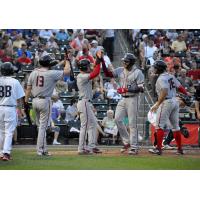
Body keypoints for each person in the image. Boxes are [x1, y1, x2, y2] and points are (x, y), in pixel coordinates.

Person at [25, 54, 70, 156]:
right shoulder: (51, 73)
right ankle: (40, 150)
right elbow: (67, 72)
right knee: (43, 127)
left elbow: (28, 89)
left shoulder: (34, 72)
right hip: (45, 101)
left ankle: (44, 149)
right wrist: (67, 61)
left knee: (40, 126)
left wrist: (26, 101)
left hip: (34, 101)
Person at [102, 53, 144, 155]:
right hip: (123, 98)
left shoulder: (138, 72)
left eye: (126, 61)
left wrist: (125, 89)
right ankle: (127, 141)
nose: (124, 62)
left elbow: (141, 88)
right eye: (124, 61)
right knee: (117, 119)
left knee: (132, 123)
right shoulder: (121, 69)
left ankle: (134, 147)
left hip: (133, 99)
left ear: (131, 62)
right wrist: (102, 62)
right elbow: (108, 74)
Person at [148, 60, 189, 155]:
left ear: (159, 68)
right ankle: (179, 149)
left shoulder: (161, 78)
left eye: (155, 67)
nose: (154, 68)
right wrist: (187, 93)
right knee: (175, 127)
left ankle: (158, 149)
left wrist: (157, 103)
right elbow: (180, 87)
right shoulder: (170, 75)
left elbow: (164, 92)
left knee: (159, 126)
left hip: (166, 101)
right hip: (174, 101)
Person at [76, 50, 104, 155]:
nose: (89, 66)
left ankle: (92, 146)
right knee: (85, 125)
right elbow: (96, 73)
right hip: (83, 102)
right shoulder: (81, 76)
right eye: (88, 66)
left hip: (87, 102)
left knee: (92, 124)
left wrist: (98, 59)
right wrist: (99, 61)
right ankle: (81, 148)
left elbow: (94, 69)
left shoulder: (84, 74)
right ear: (85, 67)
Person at [0, 62, 25, 161]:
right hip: (10, 108)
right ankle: (6, 153)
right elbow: (19, 99)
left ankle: (1, 152)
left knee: (1, 131)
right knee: (9, 132)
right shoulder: (15, 81)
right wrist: (20, 110)